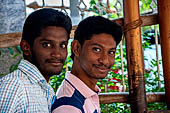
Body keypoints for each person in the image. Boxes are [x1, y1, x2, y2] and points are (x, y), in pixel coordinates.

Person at [0, 8, 72, 112]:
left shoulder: (45, 89)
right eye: (46, 44)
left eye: (63, 45)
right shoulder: (14, 86)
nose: (57, 54)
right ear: (26, 47)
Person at [52, 16, 123, 113]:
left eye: (111, 52)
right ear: (76, 48)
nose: (105, 60)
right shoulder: (69, 107)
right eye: (96, 49)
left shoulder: (85, 94)